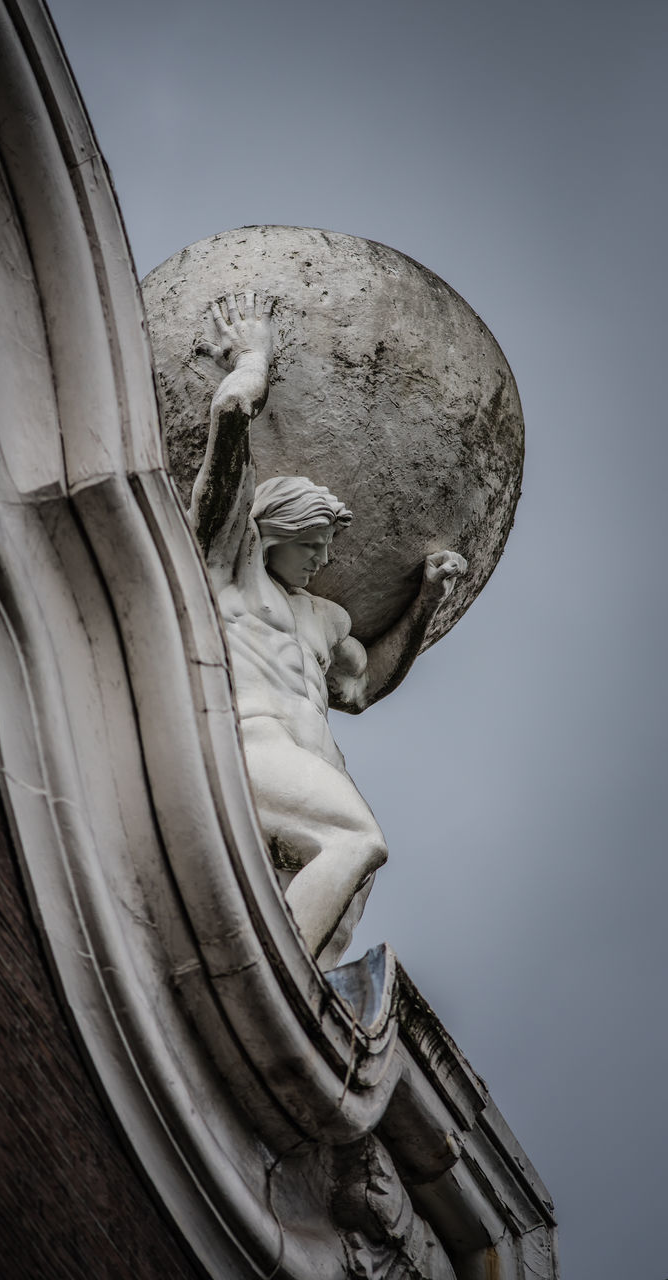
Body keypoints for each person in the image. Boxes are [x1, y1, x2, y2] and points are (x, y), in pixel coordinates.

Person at [192, 291, 466, 966]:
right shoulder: (230, 569)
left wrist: (425, 600)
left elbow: (362, 686)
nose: (323, 560)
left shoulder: (324, 618)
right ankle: (265, 980)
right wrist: (253, 357)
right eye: (313, 543)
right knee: (355, 840)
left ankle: (282, 994)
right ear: (273, 529)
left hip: (315, 767)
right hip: (246, 748)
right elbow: (228, 422)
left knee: (335, 911)